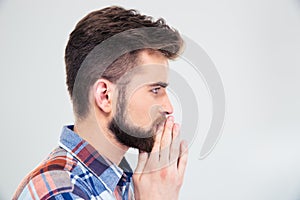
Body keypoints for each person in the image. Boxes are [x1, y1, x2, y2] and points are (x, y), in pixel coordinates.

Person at [13, 6, 188, 200]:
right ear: (105, 96)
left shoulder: (129, 183)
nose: (169, 108)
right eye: (155, 90)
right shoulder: (61, 192)